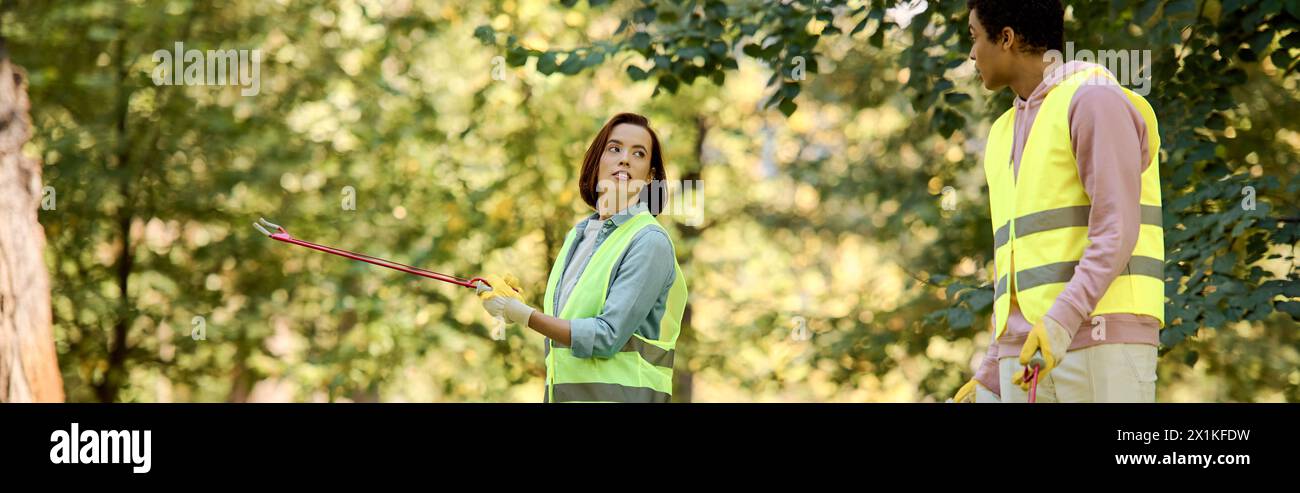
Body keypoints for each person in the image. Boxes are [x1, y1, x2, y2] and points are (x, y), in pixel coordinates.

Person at [952, 0, 1164, 403]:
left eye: (974, 37)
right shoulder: (1001, 134)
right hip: (1026, 356)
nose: (972, 53)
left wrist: (1060, 322)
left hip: (1102, 343)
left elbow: (1116, 229)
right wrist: (992, 370)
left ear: (1007, 38)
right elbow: (1014, 266)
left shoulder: (1093, 101)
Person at [476, 113, 688, 403]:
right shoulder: (577, 237)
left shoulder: (649, 241)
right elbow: (569, 329)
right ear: (597, 160)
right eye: (615, 149)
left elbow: (606, 336)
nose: (624, 159)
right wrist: (511, 306)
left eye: (638, 154)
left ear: (650, 176)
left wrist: (523, 315)